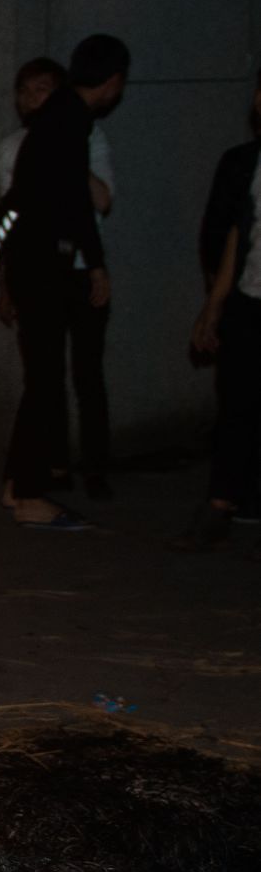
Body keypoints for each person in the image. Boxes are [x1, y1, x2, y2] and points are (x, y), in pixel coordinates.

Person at [0, 36, 129, 530]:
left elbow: (16, 204)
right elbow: (66, 205)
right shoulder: (67, 122)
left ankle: (18, 485)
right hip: (42, 272)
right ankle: (29, 495)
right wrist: (93, 264)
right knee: (44, 385)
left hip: (36, 270)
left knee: (43, 384)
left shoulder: (62, 123)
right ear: (114, 83)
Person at [0, 56, 119, 498]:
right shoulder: (11, 147)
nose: (31, 99)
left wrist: (67, 150)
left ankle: (96, 468)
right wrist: (3, 282)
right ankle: (52, 465)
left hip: (85, 270)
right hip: (39, 272)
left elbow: (100, 202)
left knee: (87, 372)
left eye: (42, 90)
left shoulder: (90, 135)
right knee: (43, 376)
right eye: (25, 91)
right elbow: (9, 217)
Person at [175, 64, 261, 552]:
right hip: (250, 300)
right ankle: (222, 505)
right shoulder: (249, 166)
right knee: (236, 404)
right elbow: (236, 235)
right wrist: (213, 306)